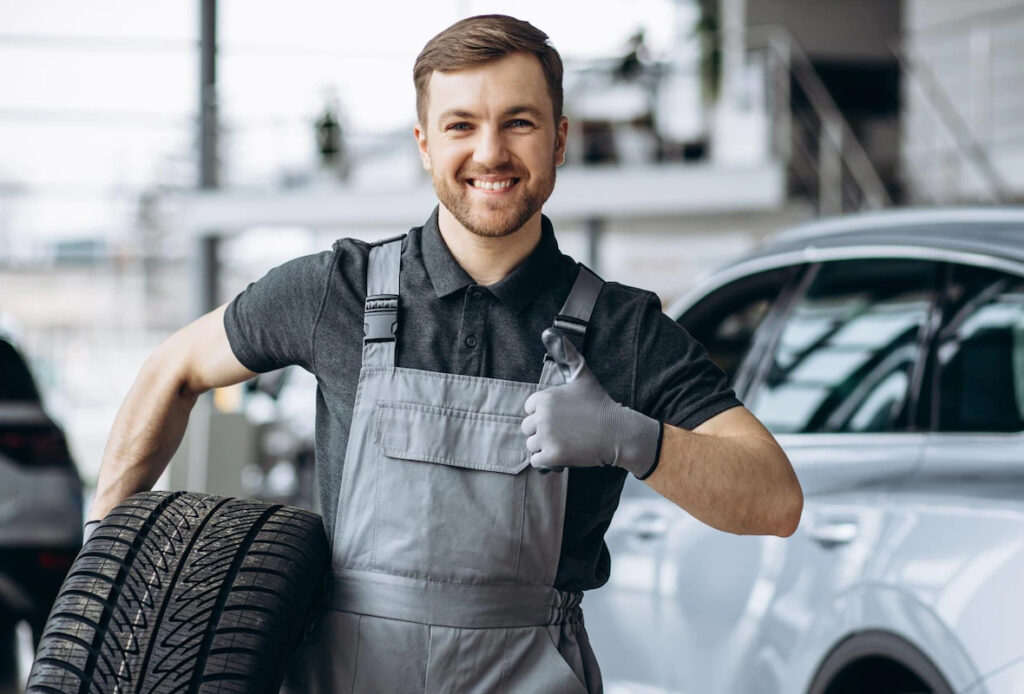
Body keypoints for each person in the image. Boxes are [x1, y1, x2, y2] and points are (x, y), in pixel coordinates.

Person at [87, 14, 802, 694]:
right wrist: (105, 574)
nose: (490, 153)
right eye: (462, 125)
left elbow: (775, 499)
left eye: (518, 123)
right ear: (425, 142)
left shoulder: (624, 328)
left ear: (558, 138)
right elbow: (173, 369)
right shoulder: (336, 291)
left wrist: (633, 439)